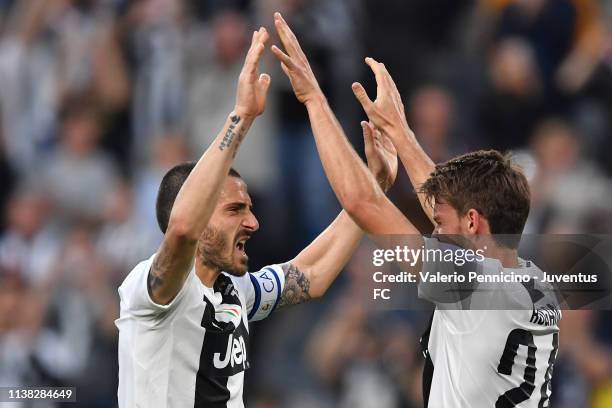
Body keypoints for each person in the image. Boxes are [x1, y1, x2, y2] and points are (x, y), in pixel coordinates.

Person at [270, 12, 560, 408]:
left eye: (438, 226)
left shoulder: (472, 281)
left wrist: (314, 99)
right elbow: (446, 205)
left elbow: (361, 203)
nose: (433, 231)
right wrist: (400, 133)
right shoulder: (537, 286)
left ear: (474, 222)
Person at [115, 25, 398, 408]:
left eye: (249, 209)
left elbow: (311, 275)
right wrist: (242, 118)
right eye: (234, 210)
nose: (252, 223)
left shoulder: (237, 291)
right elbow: (182, 230)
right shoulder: (152, 292)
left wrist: (373, 190)